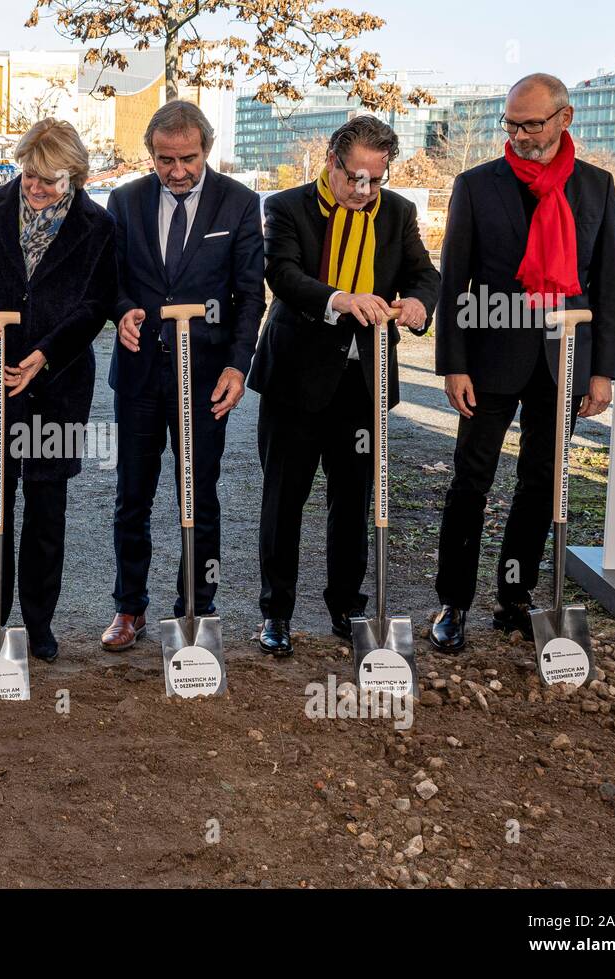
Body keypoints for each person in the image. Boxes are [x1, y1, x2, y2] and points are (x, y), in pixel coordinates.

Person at [429, 73, 615, 653]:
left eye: (531, 124)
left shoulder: (595, 187)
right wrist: (452, 364)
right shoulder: (474, 185)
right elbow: (454, 281)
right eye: (510, 124)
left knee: (542, 480)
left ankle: (514, 595)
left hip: (563, 361)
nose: (518, 135)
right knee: (471, 480)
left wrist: (602, 371)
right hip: (489, 359)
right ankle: (454, 602)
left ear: (565, 119)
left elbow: (607, 286)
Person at [248, 115, 440, 656]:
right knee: (284, 500)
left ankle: (348, 606)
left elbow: (424, 273)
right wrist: (339, 299)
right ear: (331, 163)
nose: (363, 190)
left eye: (375, 180)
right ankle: (276, 614)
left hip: (365, 380)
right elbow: (283, 276)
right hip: (296, 379)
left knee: (354, 499)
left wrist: (421, 303)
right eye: (354, 176)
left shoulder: (398, 212)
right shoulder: (285, 207)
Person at [0, 119, 116, 662]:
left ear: (77, 175)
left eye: (49, 180)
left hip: (55, 387)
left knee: (46, 510)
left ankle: (38, 623)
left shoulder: (96, 226)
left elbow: (95, 304)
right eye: (29, 175)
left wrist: (45, 356)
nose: (35, 188)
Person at [100, 100, 265, 651]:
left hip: (208, 379)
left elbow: (249, 297)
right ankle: (129, 609)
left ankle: (198, 607)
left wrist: (239, 366)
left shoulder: (239, 203)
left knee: (200, 497)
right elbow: (111, 279)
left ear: (207, 151)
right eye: (164, 159)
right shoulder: (123, 201)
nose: (176, 171)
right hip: (141, 375)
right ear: (150, 154)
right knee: (132, 496)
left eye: (187, 159)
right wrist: (121, 309)